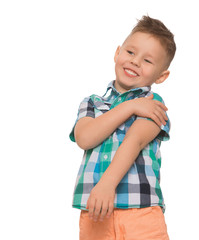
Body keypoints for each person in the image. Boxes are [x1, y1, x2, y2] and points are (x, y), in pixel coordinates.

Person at [69, 15, 176, 240]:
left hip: (141, 211)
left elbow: (134, 141)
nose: (135, 61)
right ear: (117, 52)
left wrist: (107, 184)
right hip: (95, 212)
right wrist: (129, 107)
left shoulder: (153, 104)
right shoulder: (92, 103)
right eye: (130, 52)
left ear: (162, 75)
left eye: (148, 61)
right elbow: (85, 138)